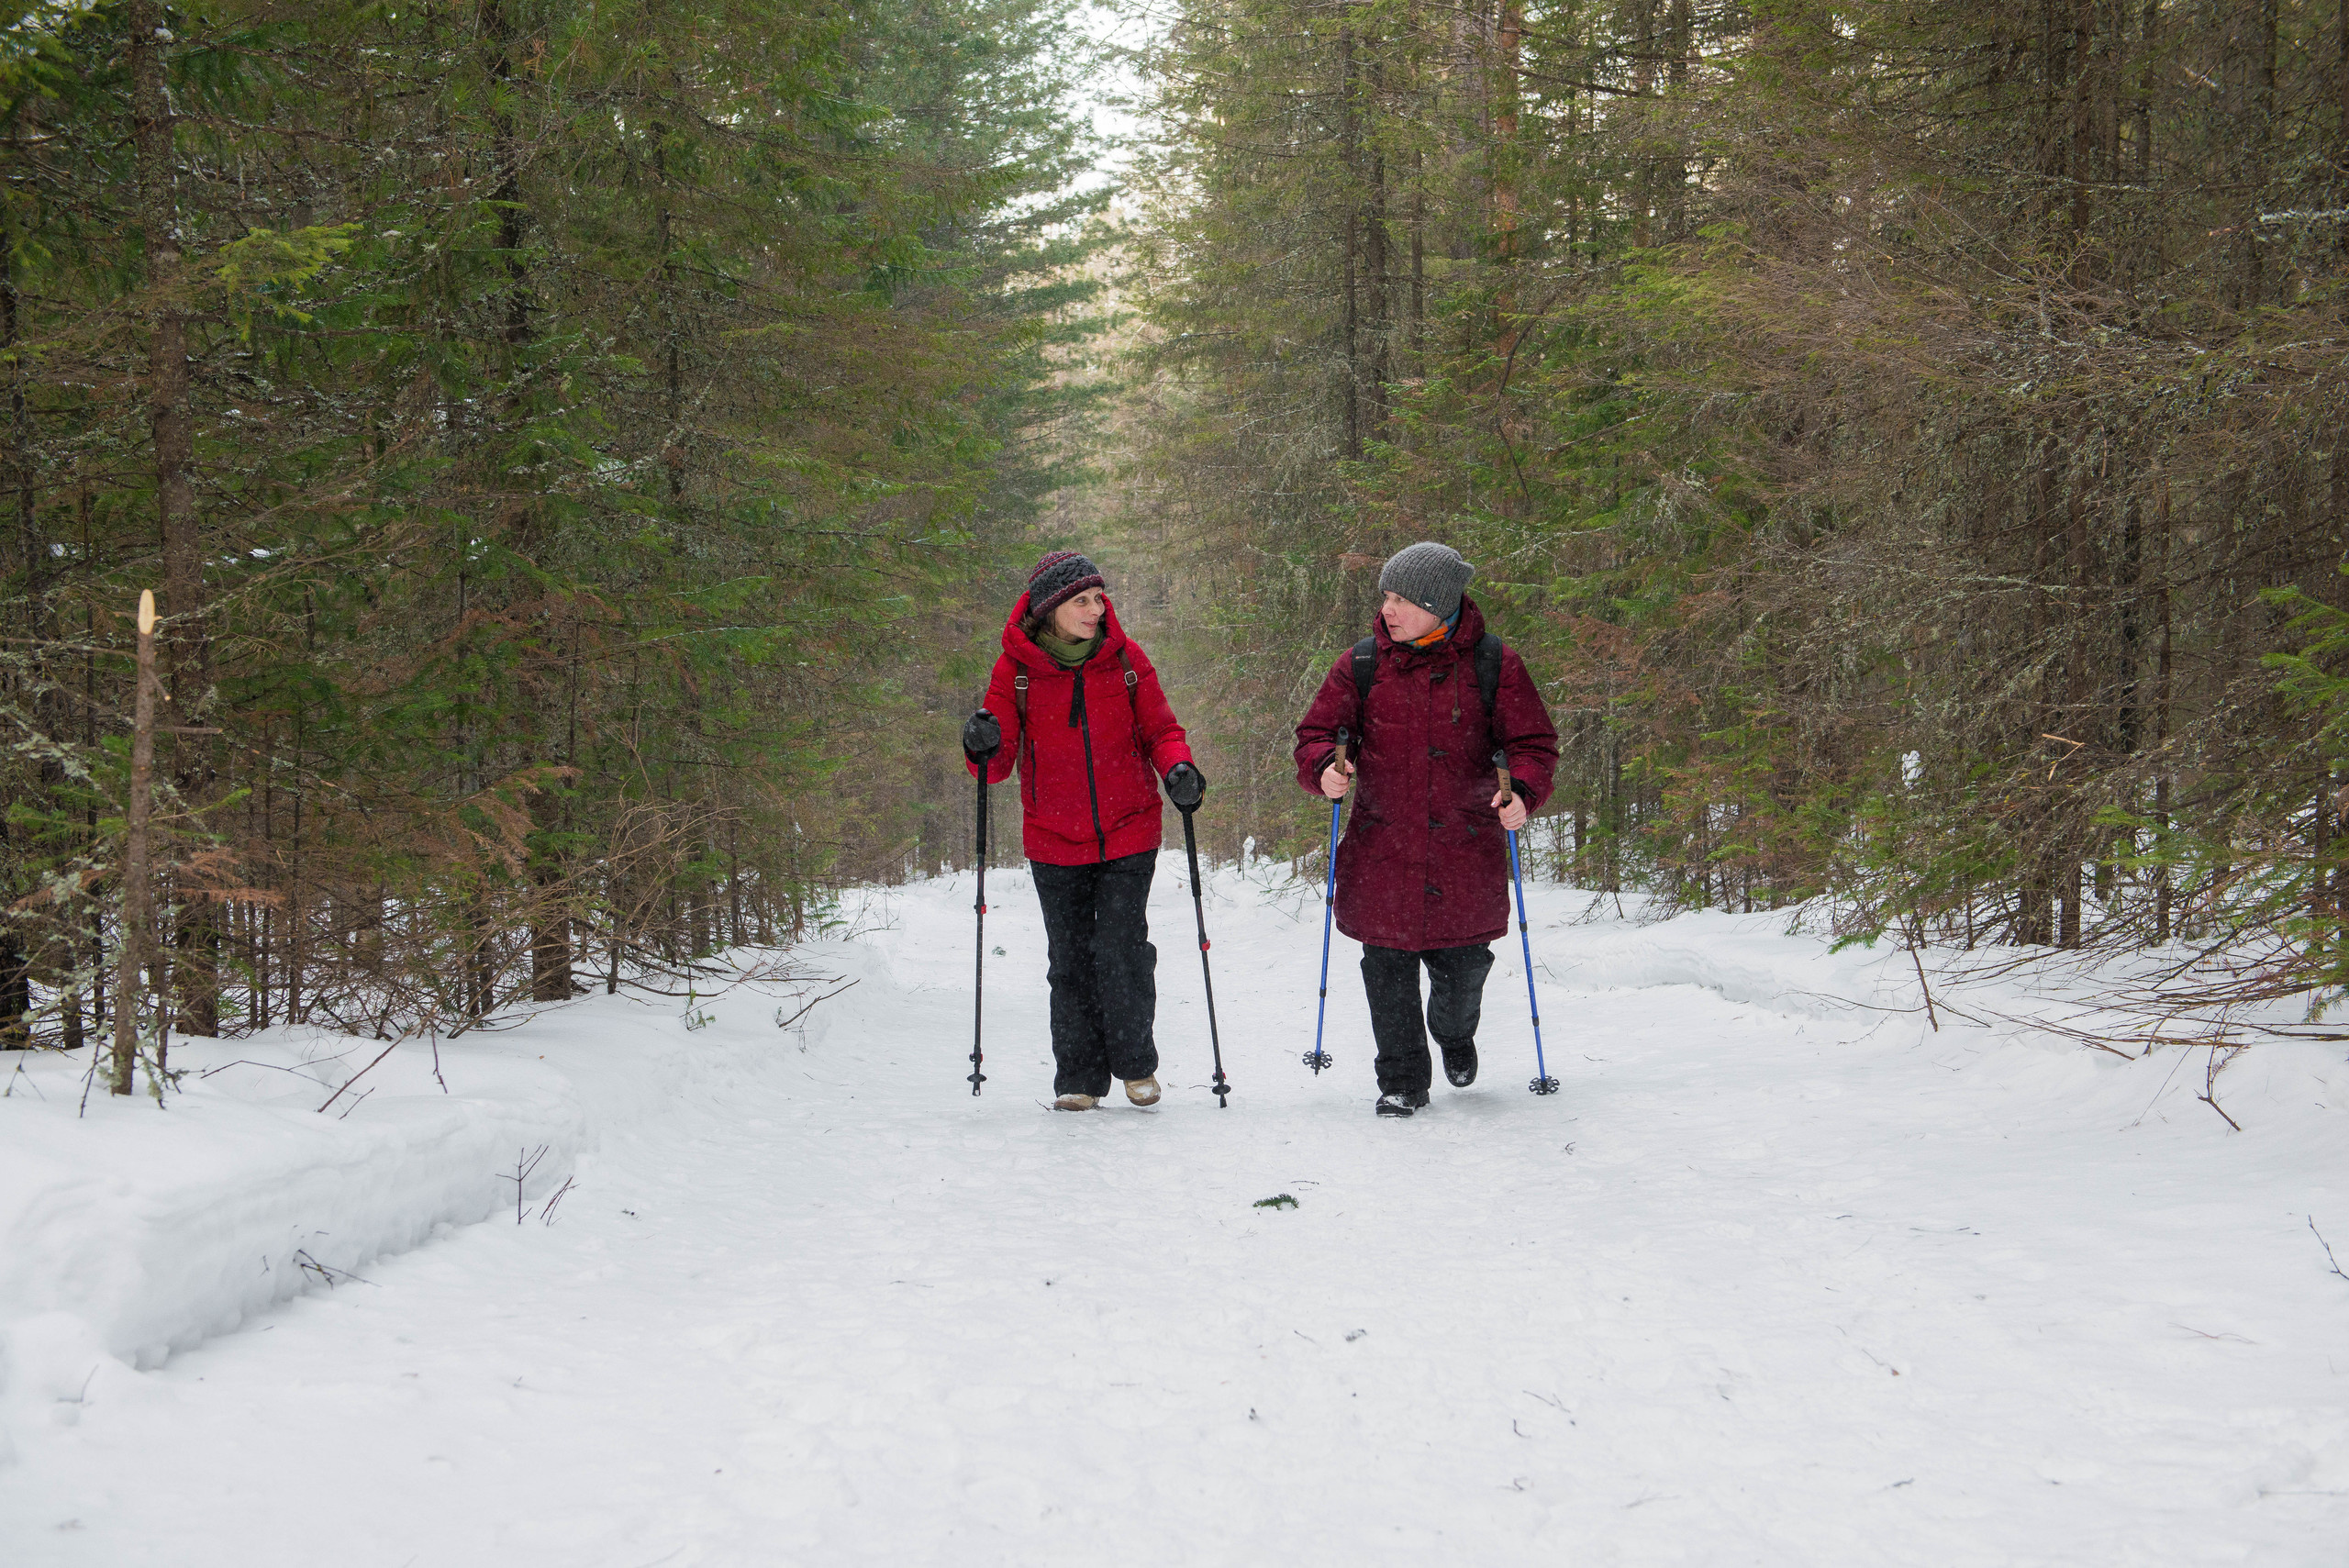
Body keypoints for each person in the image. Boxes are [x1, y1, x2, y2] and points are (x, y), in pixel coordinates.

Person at [1293, 541, 1559, 1117]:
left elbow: (1533, 744)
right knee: (1386, 970)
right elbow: (1317, 735)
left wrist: (1522, 791)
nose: (1387, 609)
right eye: (1386, 596)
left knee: (1463, 974)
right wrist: (1324, 768)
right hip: (1382, 849)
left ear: (1438, 605)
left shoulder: (1495, 664)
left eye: (1401, 599)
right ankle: (1402, 1081)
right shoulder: (1362, 663)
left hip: (1465, 854)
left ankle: (1454, 1034)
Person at [963, 550, 1206, 1111]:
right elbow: (994, 767)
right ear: (1051, 609)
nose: (1097, 609)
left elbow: (1162, 730)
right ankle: (1078, 1078)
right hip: (1053, 838)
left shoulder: (1125, 659)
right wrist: (981, 744)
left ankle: (1136, 1066)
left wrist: (1178, 768)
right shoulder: (1015, 670)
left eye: (1098, 598)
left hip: (1129, 830)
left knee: (1122, 951)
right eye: (1083, 601)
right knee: (1069, 962)